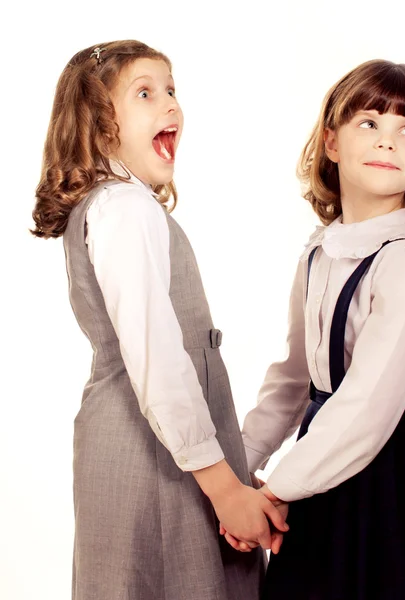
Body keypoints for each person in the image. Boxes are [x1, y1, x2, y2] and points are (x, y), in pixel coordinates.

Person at [234, 59, 405, 599]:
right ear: (331, 142)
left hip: (397, 473)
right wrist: (239, 470)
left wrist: (274, 493)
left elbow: (367, 403)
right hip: (322, 460)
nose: (388, 142)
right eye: (369, 123)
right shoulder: (320, 249)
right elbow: (292, 379)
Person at [31, 39, 287, 600]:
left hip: (151, 448)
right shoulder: (124, 207)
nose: (170, 103)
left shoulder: (111, 205)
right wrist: (224, 490)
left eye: (171, 89)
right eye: (145, 93)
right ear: (100, 128)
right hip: (153, 458)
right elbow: (158, 359)